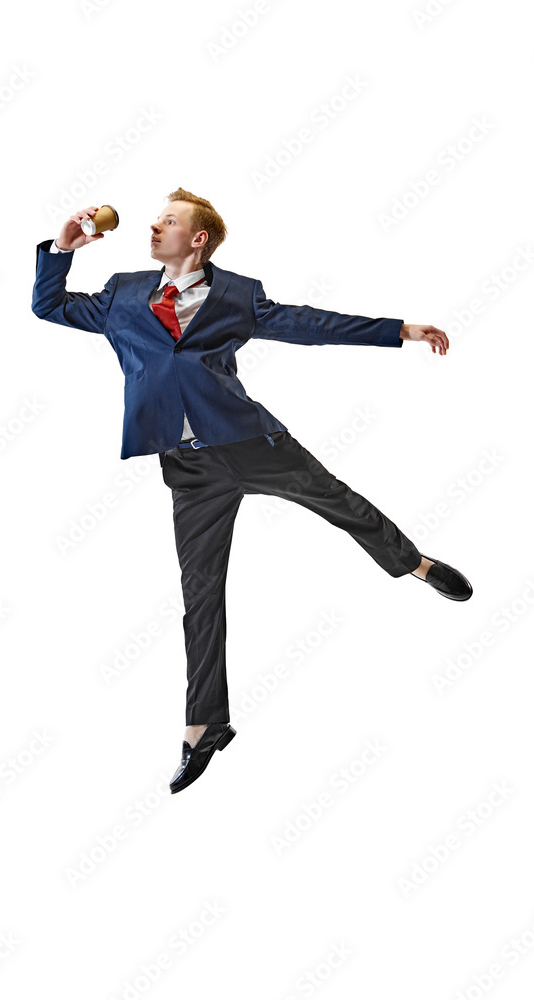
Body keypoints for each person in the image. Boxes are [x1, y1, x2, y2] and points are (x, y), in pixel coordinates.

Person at [31, 187, 472, 795]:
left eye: (168, 221)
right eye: (156, 220)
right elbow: (47, 306)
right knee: (201, 593)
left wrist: (400, 330)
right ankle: (206, 724)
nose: (153, 227)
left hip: (250, 442)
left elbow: (311, 325)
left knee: (338, 502)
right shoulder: (123, 294)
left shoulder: (238, 295)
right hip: (189, 470)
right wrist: (63, 248)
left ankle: (412, 563)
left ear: (199, 238)